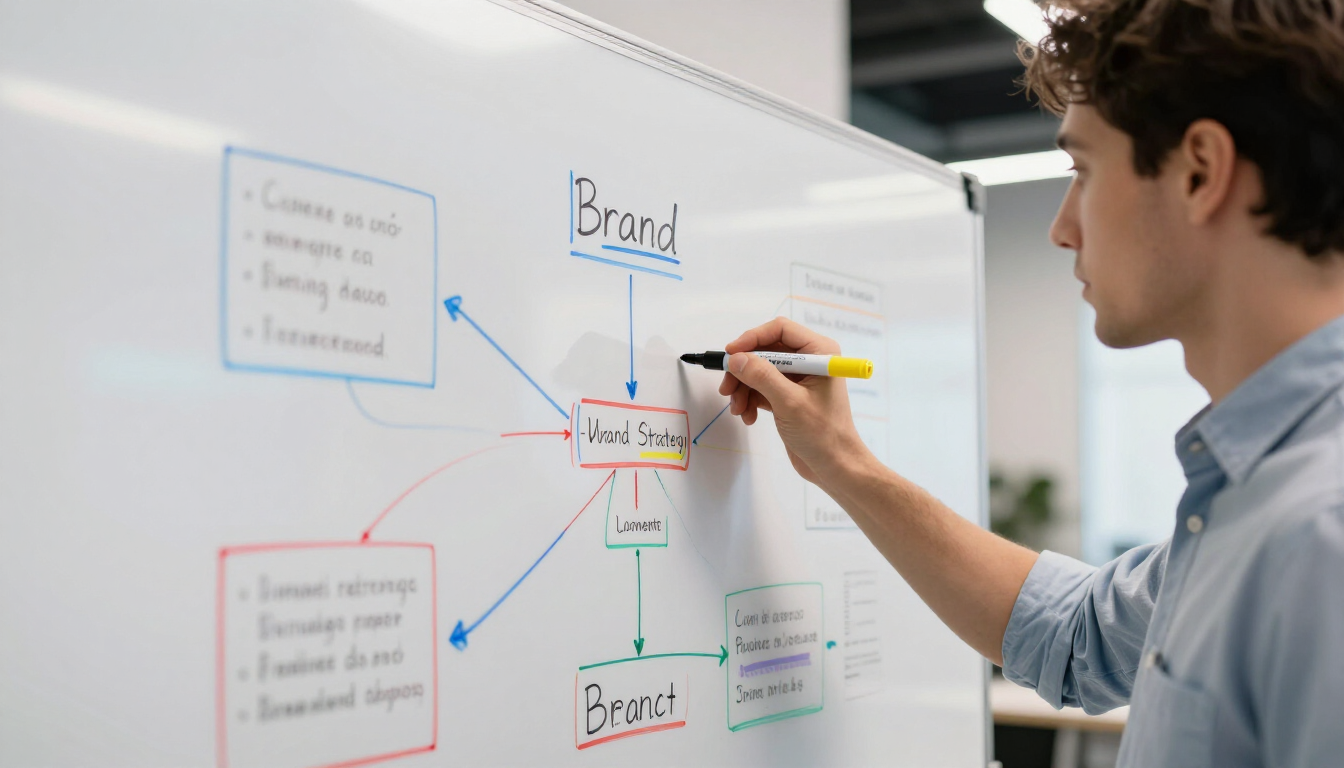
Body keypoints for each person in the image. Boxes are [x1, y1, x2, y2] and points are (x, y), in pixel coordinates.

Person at [718, 0, 1344, 764]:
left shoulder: (1322, 531)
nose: (1062, 225)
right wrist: (842, 461)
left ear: (1199, 172)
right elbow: (1076, 637)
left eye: (1082, 169)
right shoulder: (1253, 495)